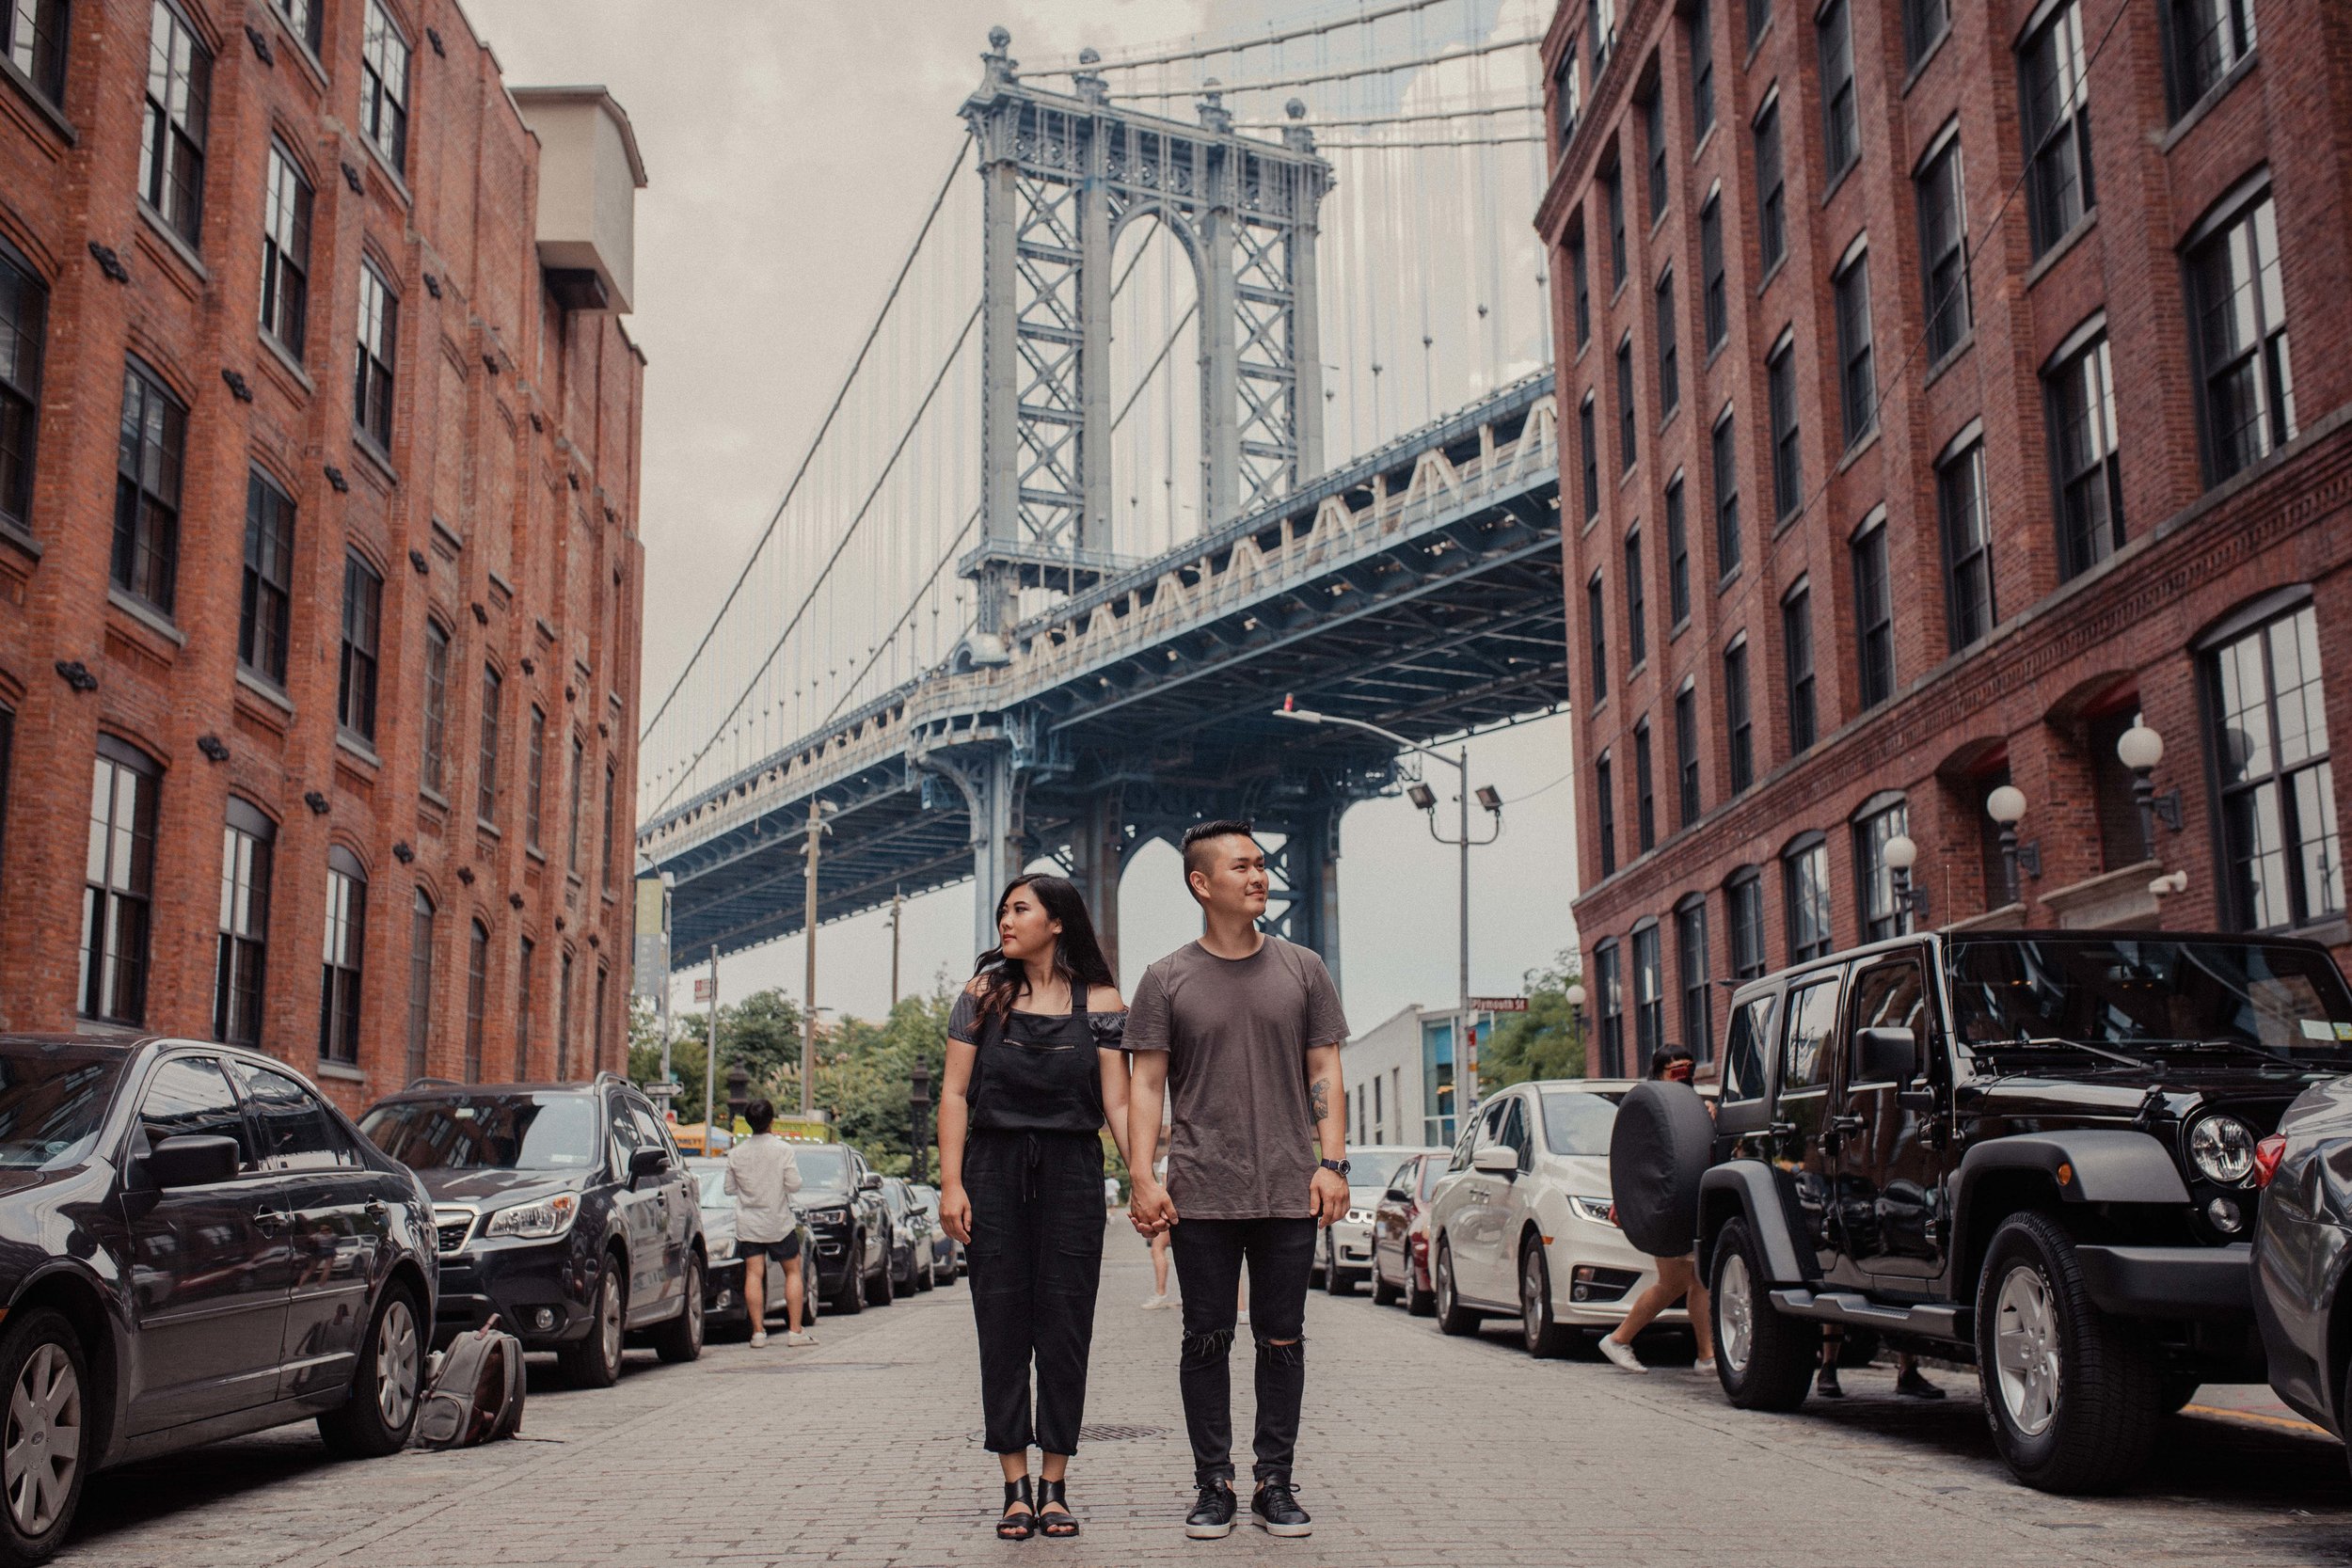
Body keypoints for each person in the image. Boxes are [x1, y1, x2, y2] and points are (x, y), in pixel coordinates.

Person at [1127, 820, 1350, 1542]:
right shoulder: (1165, 978)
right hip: (1201, 1190)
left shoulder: (1304, 968)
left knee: (1283, 1339)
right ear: (1201, 883)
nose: (1259, 875)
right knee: (1206, 1338)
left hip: (1288, 1187)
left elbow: (1325, 1067)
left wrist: (1333, 1162)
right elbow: (1146, 1084)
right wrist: (1142, 1176)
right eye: (1242, 866)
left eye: (1261, 864)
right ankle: (1213, 1484)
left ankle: (1274, 1482)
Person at [937, 874, 1132, 1542]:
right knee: (1001, 1324)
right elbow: (954, 1093)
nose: (1006, 920)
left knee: (1065, 1325)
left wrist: (1144, 1178)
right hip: (992, 1169)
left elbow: (1119, 1100)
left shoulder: (1102, 1001)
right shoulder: (981, 995)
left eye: (1020, 909)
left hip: (1073, 1172)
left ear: (1057, 921)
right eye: (1003, 910)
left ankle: (1055, 1485)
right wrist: (952, 1184)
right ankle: (1014, 1487)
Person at [1597, 1047, 1714, 1376]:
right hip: (1665, 1205)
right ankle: (1619, 1338)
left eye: (1688, 1070)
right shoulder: (1649, 1108)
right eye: (1675, 1071)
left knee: (1697, 1281)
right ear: (1660, 1072)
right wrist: (1627, 1201)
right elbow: (1632, 1158)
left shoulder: (1693, 1107)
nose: (1683, 1077)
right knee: (1674, 1282)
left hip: (1688, 1202)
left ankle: (1706, 1355)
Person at [723, 1098, 812, 1349]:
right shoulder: (783, 1150)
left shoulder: (736, 1153)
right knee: (792, 1271)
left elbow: (729, 1188)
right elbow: (794, 1184)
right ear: (772, 1121)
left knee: (753, 1273)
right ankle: (795, 1331)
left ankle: (758, 1332)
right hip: (778, 1221)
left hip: (749, 1223)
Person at [1142, 1155, 1175, 1309]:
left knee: (1157, 1249)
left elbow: (1167, 1187)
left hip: (1171, 1210)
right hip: (1193, 1208)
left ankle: (1160, 1293)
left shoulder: (1168, 1159)